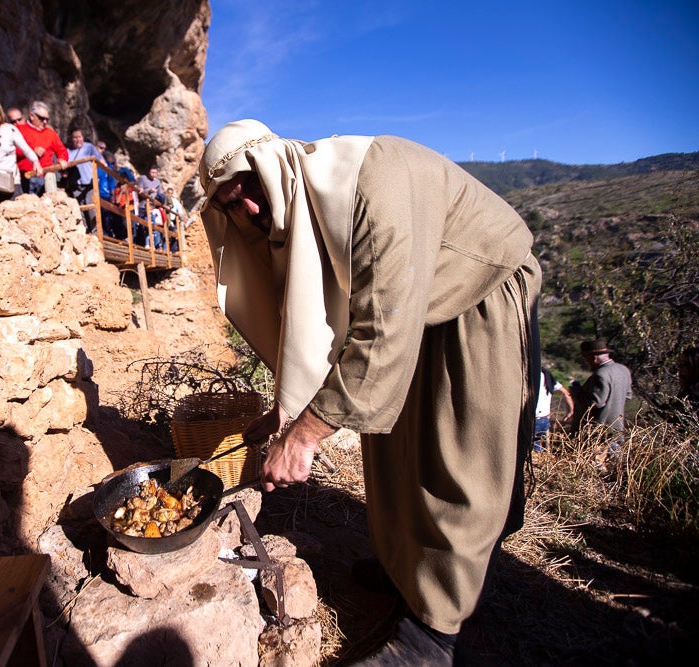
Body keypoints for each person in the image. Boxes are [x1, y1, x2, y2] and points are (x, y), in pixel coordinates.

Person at [199, 119, 540, 664]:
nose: (253, 213)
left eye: (252, 190)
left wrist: (306, 437)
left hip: (476, 292)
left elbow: (379, 336)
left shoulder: (371, 184)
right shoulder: (301, 213)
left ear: (274, 166)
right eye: (233, 205)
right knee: (390, 449)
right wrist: (287, 412)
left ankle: (434, 634)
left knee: (456, 457)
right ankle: (406, 567)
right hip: (410, 310)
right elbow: (318, 327)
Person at [575, 339, 633, 458]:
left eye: (586, 359)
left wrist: (577, 393)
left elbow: (596, 403)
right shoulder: (623, 370)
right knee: (614, 467)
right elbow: (628, 396)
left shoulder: (600, 374)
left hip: (600, 431)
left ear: (594, 358)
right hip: (617, 428)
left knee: (597, 467)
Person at [15, 101, 68, 196]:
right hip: (25, 177)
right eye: (42, 118)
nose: (45, 122)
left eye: (47, 119)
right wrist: (32, 151)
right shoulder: (19, 130)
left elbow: (62, 150)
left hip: (46, 177)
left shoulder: (50, 133)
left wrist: (62, 159)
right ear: (32, 116)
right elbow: (12, 151)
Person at [534, 367, 574, 451]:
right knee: (536, 447)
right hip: (545, 419)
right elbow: (566, 393)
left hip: (534, 419)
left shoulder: (531, 375)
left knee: (529, 449)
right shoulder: (547, 376)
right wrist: (571, 411)